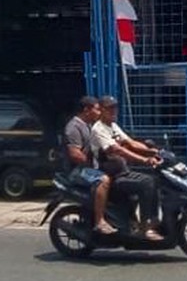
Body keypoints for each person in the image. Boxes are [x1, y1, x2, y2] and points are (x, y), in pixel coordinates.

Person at [94, 96, 165, 241]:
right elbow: (117, 150)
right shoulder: (98, 129)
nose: (113, 111)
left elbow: (131, 143)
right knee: (147, 183)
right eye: (109, 108)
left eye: (115, 107)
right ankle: (144, 228)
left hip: (122, 172)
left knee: (156, 180)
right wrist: (144, 160)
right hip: (110, 175)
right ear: (101, 110)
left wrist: (154, 151)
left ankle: (153, 220)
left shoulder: (113, 126)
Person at [61, 96, 117, 235]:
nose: (100, 112)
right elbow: (75, 155)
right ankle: (99, 221)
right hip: (77, 171)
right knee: (103, 180)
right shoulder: (73, 127)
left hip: (88, 168)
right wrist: (94, 164)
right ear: (87, 110)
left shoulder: (90, 125)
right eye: (97, 109)